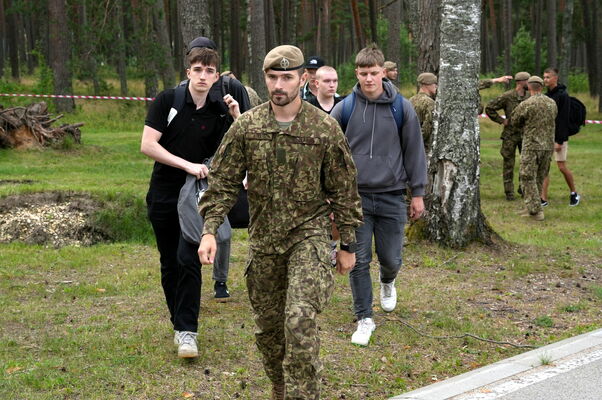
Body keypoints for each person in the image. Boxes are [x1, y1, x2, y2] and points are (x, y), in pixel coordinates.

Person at [197, 45, 362, 400]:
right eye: (272, 77)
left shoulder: (324, 129)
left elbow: (345, 190)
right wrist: (210, 230)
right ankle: (280, 388)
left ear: (304, 79)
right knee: (269, 332)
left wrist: (347, 245)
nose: (279, 85)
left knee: (299, 320)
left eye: (287, 77)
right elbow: (223, 182)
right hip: (265, 243)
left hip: (310, 238)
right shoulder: (247, 126)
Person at [141, 47, 241, 359]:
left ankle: (188, 332)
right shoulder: (167, 100)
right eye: (197, 69)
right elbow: (147, 145)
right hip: (164, 191)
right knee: (170, 262)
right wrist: (186, 164)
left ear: (216, 76)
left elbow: (239, 144)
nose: (202, 76)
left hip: (196, 195)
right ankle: (178, 321)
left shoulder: (220, 109)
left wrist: (237, 115)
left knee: (188, 259)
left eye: (209, 71)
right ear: (188, 73)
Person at [330, 45, 427, 347]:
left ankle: (388, 281)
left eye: (373, 73)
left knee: (390, 257)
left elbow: (414, 151)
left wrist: (418, 193)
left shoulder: (402, 107)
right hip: (354, 198)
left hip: (391, 195)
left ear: (383, 73)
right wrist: (331, 196)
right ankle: (364, 318)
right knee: (358, 260)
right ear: (356, 74)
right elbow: (328, 151)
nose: (368, 79)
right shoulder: (344, 108)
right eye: (362, 74)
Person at [185, 36, 253, 298]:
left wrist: (247, 170)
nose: (202, 72)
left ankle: (220, 281)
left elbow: (247, 127)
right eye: (196, 61)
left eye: (208, 63)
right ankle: (191, 274)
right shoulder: (182, 89)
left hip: (225, 164)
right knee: (193, 225)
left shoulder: (232, 86)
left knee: (222, 228)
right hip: (192, 169)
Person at [511, 75, 557, 221]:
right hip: (548, 146)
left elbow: (515, 120)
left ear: (529, 87)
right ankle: (532, 208)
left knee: (526, 176)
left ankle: (535, 210)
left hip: (531, 145)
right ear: (541, 87)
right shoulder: (552, 103)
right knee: (539, 177)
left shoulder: (527, 104)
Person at [485, 71, 531, 200]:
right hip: (510, 135)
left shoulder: (530, 96)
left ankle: (523, 188)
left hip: (525, 134)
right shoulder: (508, 96)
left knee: (526, 163)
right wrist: (502, 120)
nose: (530, 83)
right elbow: (490, 108)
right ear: (521, 82)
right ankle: (509, 192)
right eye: (528, 81)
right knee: (508, 164)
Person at [541, 67, 581, 207]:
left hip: (559, 137)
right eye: (544, 77)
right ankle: (543, 199)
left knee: (561, 167)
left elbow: (563, 120)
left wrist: (559, 141)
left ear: (555, 78)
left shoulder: (563, 95)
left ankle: (574, 193)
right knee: (544, 167)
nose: (545, 79)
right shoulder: (546, 95)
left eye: (548, 77)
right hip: (546, 136)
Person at [409, 72, 438, 154]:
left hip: (409, 144)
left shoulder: (410, 100)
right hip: (423, 148)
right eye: (434, 84)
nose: (436, 86)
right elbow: (427, 127)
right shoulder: (430, 103)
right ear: (427, 85)